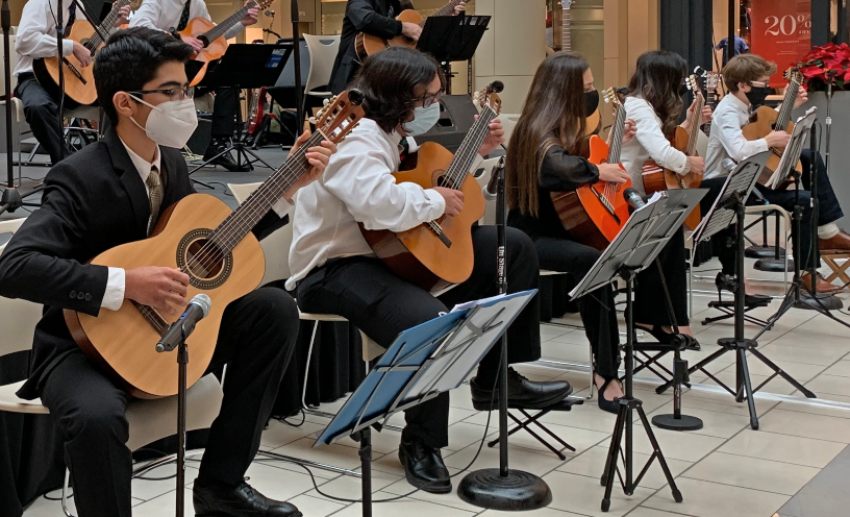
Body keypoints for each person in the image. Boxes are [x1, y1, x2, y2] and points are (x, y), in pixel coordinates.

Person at [0, 27, 334, 517]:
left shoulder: (172, 164)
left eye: (188, 89)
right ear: (127, 103)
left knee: (273, 309)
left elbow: (212, 242)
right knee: (95, 417)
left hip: (166, 330)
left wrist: (288, 186)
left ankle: (221, 486)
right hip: (83, 346)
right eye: (172, 92)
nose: (187, 103)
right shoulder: (78, 175)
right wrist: (125, 284)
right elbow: (15, 266)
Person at [287, 47, 570, 494]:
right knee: (429, 322)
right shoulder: (355, 139)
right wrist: (438, 201)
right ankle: (421, 441)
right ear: (398, 97)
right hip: (335, 269)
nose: (433, 107)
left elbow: (427, 184)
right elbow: (380, 208)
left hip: (393, 255)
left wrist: (475, 155)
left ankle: (498, 378)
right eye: (426, 99)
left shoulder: (391, 136)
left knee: (511, 247)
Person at [506, 51, 634, 412]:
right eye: (586, 89)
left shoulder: (567, 128)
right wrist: (597, 173)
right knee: (593, 262)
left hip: (562, 229)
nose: (591, 95)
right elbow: (555, 167)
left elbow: (582, 159)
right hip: (529, 237)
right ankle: (607, 373)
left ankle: (661, 328)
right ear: (562, 91)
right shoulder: (535, 131)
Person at [702, 53, 850, 293]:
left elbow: (757, 128)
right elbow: (739, 151)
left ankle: (826, 231)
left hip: (752, 176)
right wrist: (769, 140)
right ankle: (807, 274)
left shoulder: (745, 105)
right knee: (805, 201)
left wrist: (787, 109)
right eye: (762, 83)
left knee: (811, 158)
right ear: (743, 85)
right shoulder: (727, 112)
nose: (767, 88)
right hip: (730, 187)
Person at [619, 50, 703, 345]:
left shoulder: (644, 107)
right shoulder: (638, 107)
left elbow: (661, 143)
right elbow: (661, 153)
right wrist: (688, 164)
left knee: (671, 232)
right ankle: (663, 318)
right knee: (668, 233)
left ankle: (659, 316)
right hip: (626, 197)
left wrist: (688, 124)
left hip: (641, 193)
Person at [131, 0, 260, 172]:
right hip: (157, 67)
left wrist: (241, 23)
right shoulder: (157, 1)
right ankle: (161, 150)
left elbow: (213, 34)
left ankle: (218, 145)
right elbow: (137, 25)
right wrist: (176, 37)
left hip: (189, 69)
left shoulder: (197, 4)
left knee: (227, 80)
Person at [14, 0, 129, 164]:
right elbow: (24, 41)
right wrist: (71, 46)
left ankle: (114, 162)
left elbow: (90, 44)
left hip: (71, 80)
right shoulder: (39, 3)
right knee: (37, 106)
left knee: (119, 99)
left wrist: (112, 25)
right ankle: (66, 166)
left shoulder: (77, 6)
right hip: (35, 77)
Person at [328, 0, 465, 94]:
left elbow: (419, 34)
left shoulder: (402, 4)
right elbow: (365, 19)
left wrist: (449, 18)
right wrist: (402, 27)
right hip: (355, 76)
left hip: (389, 79)